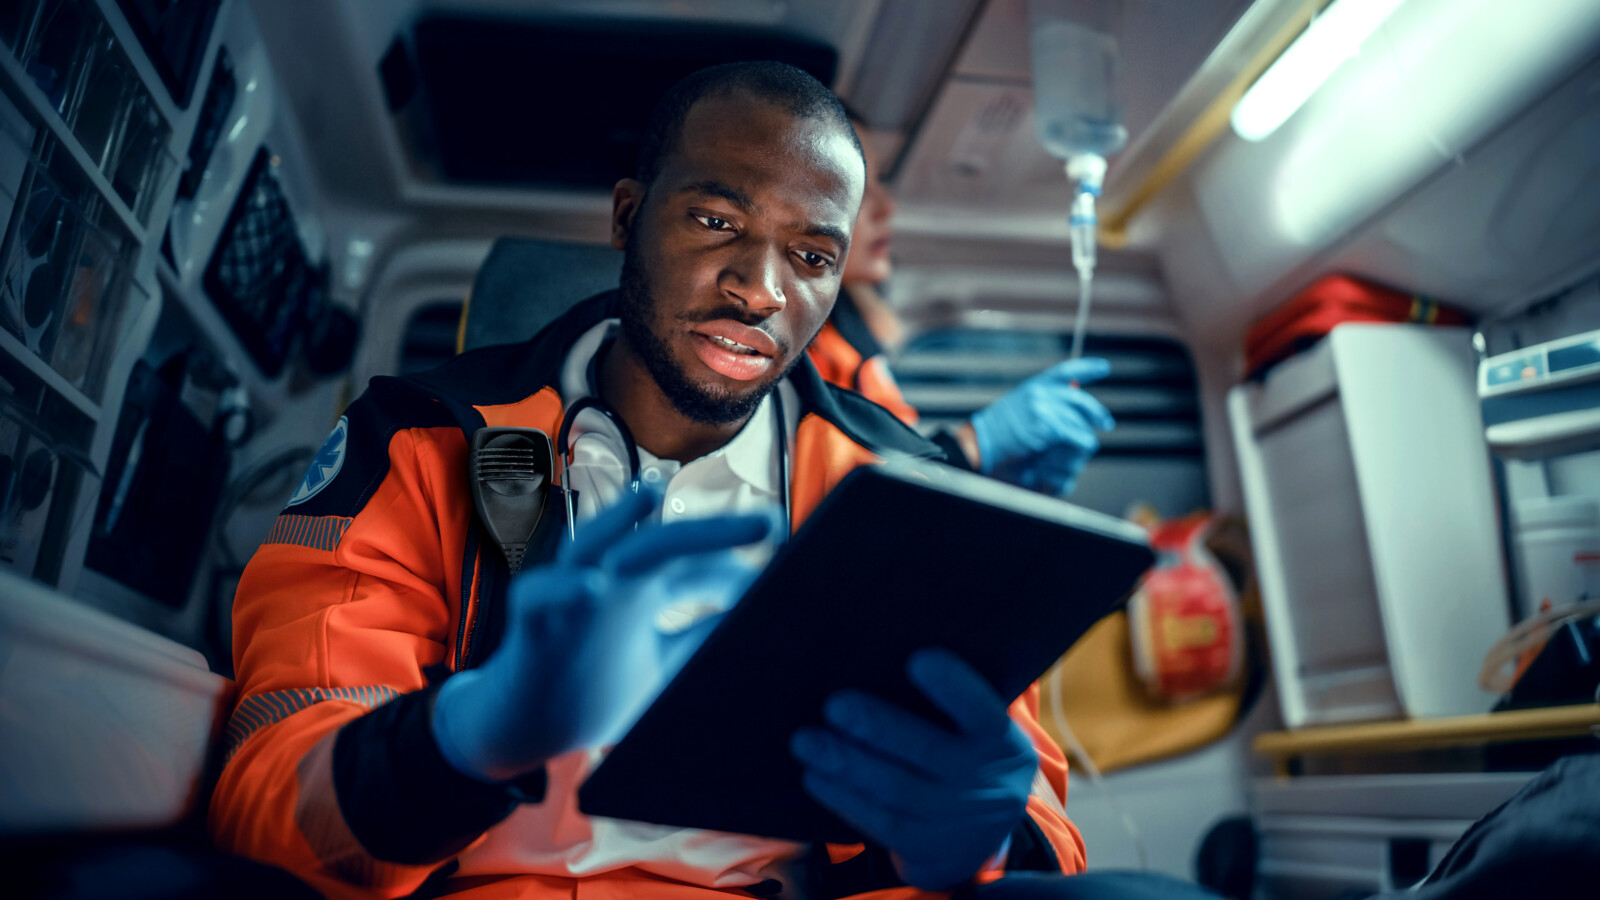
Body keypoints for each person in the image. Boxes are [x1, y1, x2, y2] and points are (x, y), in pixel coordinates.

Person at [208, 62, 1090, 900]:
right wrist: (467, 735)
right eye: (717, 221)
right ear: (628, 216)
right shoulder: (420, 440)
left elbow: (1038, 818)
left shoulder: (909, 505)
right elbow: (273, 790)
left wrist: (993, 842)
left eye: (812, 257)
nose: (760, 290)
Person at [806, 118, 1115, 498]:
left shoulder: (852, 344)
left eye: (881, 181)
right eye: (857, 188)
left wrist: (986, 477)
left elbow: (890, 480)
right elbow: (851, 508)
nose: (887, 206)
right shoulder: (802, 360)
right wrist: (971, 446)